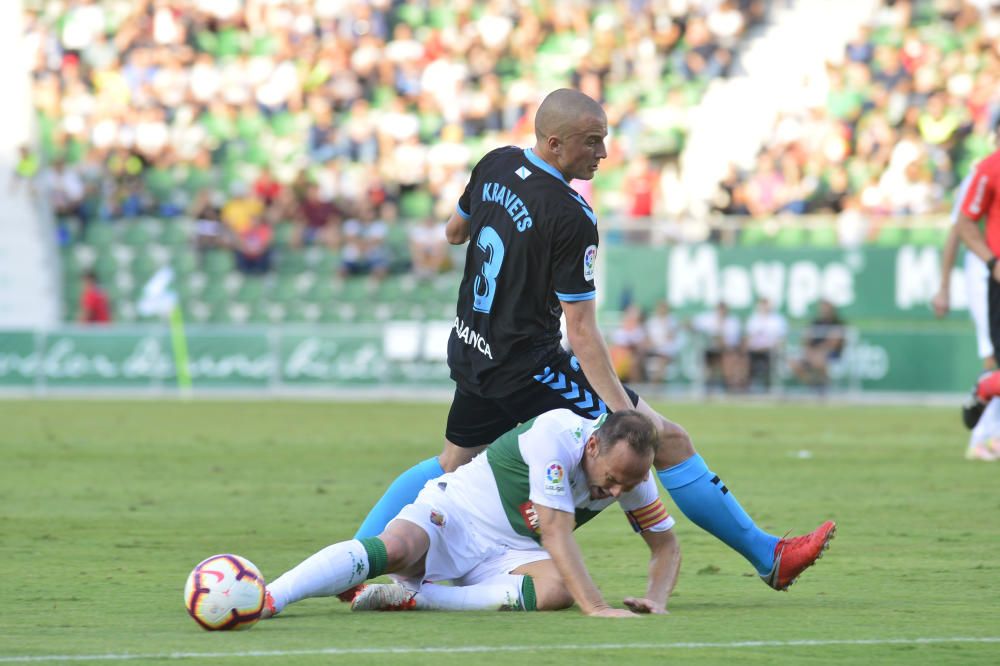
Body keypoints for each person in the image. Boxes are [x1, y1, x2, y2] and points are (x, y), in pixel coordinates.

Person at [352, 88, 834, 596]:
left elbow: (454, 232)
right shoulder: (571, 214)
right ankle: (769, 556)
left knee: (452, 465)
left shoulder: (493, 163)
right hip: (527, 364)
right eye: (592, 142)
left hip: (475, 349)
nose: (602, 153)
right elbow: (580, 331)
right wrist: (621, 408)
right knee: (666, 439)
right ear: (556, 143)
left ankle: (358, 559)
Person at [262, 410, 680, 617]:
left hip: (512, 550)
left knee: (556, 592)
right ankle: (269, 599)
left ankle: (418, 599)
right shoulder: (557, 435)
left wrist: (656, 599)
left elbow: (666, 547)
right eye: (612, 479)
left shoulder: (633, 474)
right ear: (592, 447)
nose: (616, 491)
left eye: (627, 484)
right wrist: (597, 608)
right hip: (455, 513)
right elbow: (555, 531)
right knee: (396, 548)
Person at [933, 167, 1000, 460]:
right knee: (993, 355)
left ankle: (992, 433)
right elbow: (959, 228)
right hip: (986, 274)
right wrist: (944, 286)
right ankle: (981, 437)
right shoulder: (981, 172)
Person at [790, 300, 846, 389]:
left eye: (826, 308)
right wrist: (808, 351)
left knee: (819, 359)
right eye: (822, 309)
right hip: (812, 353)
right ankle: (812, 383)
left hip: (831, 353)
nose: (824, 311)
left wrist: (817, 352)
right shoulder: (816, 322)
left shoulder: (837, 323)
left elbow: (833, 343)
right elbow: (806, 338)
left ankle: (824, 385)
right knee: (793, 362)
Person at [691, 301, 745, 392]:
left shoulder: (733, 322)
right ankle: (708, 385)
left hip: (727, 351)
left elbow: (734, 342)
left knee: (730, 358)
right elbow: (692, 324)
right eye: (720, 310)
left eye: (723, 310)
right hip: (709, 352)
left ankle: (730, 386)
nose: (722, 312)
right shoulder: (707, 319)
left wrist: (722, 342)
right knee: (706, 359)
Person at [744, 297, 788, 391]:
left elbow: (781, 340)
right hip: (754, 351)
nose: (764, 307)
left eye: (766, 304)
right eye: (762, 304)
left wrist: (768, 347)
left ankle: (771, 387)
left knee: (773, 359)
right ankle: (745, 387)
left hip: (771, 351)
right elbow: (748, 339)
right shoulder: (753, 319)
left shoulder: (778, 320)